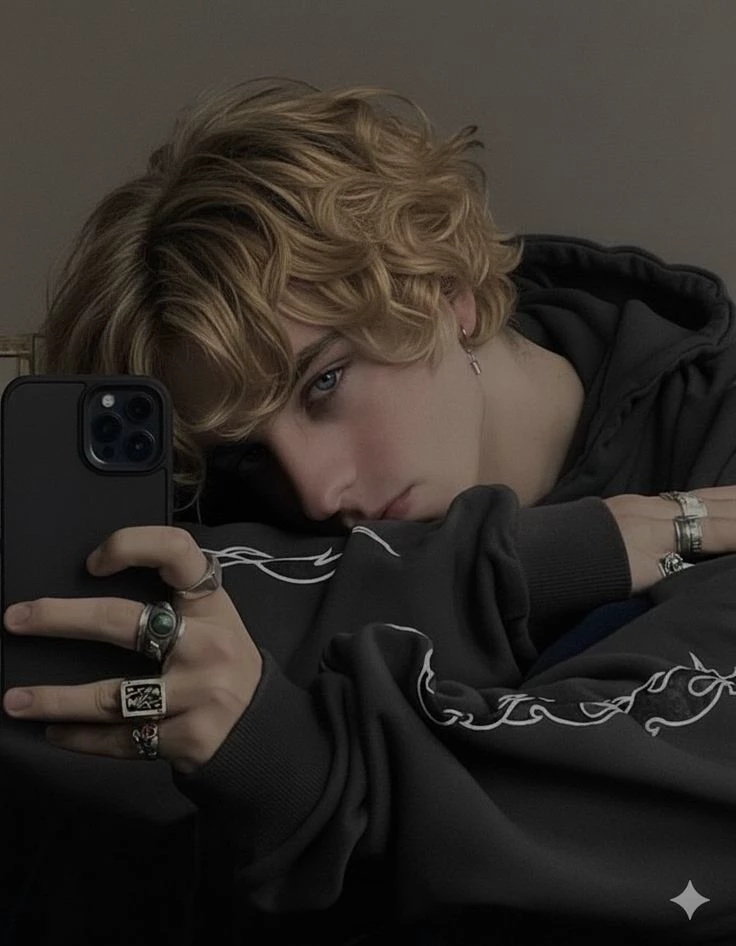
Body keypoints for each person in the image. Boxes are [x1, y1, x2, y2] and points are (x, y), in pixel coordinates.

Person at [5, 76, 736, 944]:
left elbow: (628, 833)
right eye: (249, 448)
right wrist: (537, 559)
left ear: (449, 292)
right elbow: (40, 668)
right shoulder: (231, 495)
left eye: (324, 383)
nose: (316, 491)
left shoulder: (717, 446)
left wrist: (293, 762)